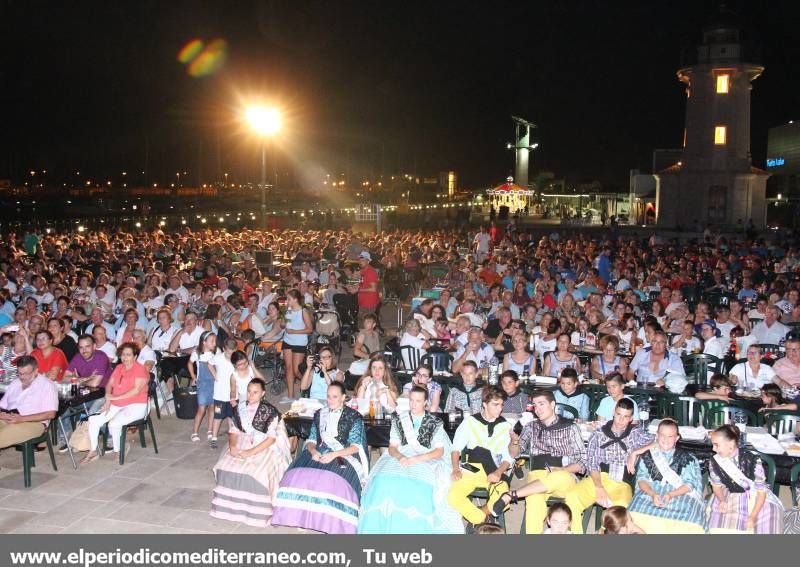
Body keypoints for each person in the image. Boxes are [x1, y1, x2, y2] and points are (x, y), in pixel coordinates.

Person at [358, 386, 463, 534]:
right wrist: (401, 457)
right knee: (381, 482)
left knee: (417, 488)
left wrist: (415, 459)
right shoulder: (400, 419)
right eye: (411, 400)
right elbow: (392, 447)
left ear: (425, 402)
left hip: (426, 457)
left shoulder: (434, 421)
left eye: (418, 401)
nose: (414, 404)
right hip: (400, 455)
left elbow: (439, 451)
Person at [271, 382, 369, 534]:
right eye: (328, 397)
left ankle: (329, 522)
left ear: (343, 397)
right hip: (319, 450)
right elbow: (311, 440)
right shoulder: (320, 414)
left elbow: (356, 447)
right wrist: (313, 451)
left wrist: (333, 455)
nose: (331, 400)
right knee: (296, 476)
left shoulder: (354, 417)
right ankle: (300, 517)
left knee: (331, 482)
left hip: (343, 454)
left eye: (335, 397)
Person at [496, 390, 586, 533]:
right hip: (538, 474)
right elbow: (515, 453)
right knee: (533, 498)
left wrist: (562, 470)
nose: (537, 409)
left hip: (564, 478)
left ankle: (513, 495)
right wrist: (514, 442)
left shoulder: (570, 427)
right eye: (535, 405)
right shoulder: (531, 426)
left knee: (559, 476)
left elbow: (583, 461)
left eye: (541, 404)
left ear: (553, 404)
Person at [210, 378, 292, 528]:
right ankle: (230, 509)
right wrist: (233, 446)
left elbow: (271, 439)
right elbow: (234, 431)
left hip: (264, 444)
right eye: (249, 392)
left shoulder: (269, 411)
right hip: (243, 441)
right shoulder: (239, 409)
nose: (251, 395)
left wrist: (250, 452)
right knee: (225, 465)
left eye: (255, 392)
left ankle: (257, 512)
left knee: (257, 472)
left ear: (263, 393)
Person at [564, 398, 652, 533]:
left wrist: (635, 452)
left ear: (631, 418)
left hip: (622, 483)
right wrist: (599, 487)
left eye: (626, 416)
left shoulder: (635, 433)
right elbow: (592, 464)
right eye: (618, 414)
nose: (621, 420)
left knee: (621, 515)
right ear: (613, 412)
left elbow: (661, 440)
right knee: (572, 497)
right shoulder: (599, 434)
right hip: (599, 478)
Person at [447, 386, 513, 530]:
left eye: (501, 405)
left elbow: (508, 457)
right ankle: (481, 517)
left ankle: (479, 517)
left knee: (503, 496)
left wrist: (498, 472)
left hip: (495, 469)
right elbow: (456, 449)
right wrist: (456, 469)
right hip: (473, 468)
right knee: (452, 496)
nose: (499, 409)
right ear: (484, 404)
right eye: (495, 405)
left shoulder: (505, 426)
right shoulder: (470, 422)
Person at [626, 419, 705, 533]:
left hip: (679, 493)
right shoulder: (647, 455)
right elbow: (641, 479)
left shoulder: (686, 457)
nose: (665, 439)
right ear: (657, 435)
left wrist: (670, 494)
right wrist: (652, 494)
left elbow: (689, 485)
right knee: (632, 516)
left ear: (676, 438)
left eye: (670, 436)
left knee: (692, 521)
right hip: (650, 492)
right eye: (662, 435)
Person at [707, 424, 784, 533]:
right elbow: (716, 486)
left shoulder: (753, 461)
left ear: (731, 444)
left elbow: (761, 492)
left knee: (770, 524)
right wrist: (722, 500)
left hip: (756, 495)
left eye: (716, 445)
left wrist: (753, 516)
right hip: (729, 492)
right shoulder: (715, 462)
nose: (713, 449)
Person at [81, 342, 150, 464]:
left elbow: (136, 390)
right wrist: (108, 400)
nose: (125, 358)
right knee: (93, 420)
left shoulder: (140, 369)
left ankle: (118, 450)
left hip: (136, 405)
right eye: (123, 354)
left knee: (114, 423)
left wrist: (113, 398)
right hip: (117, 403)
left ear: (135, 357)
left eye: (128, 355)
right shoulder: (119, 368)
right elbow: (109, 384)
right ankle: (93, 451)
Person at [0, 355, 58, 449]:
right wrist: (1, 414)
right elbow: (2, 405)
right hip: (10, 418)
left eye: (26, 373)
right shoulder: (15, 383)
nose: (22, 377)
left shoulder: (47, 385)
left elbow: (51, 414)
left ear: (36, 371)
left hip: (34, 423)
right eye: (19, 373)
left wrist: (21, 419)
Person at [281, 289, 313, 399]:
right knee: (288, 368)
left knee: (296, 370)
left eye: (289, 299)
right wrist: (282, 323)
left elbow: (310, 329)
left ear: (295, 299)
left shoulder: (303, 311)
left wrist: (294, 331)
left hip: (299, 342)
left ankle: (309, 383)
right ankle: (290, 396)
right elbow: (285, 324)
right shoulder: (288, 310)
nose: (287, 301)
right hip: (287, 341)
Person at [188, 331, 219, 445]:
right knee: (201, 409)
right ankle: (194, 432)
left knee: (212, 407)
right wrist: (193, 376)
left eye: (215, 341)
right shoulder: (197, 353)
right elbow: (190, 363)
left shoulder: (215, 353)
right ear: (204, 343)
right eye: (212, 341)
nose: (214, 344)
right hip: (203, 384)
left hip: (214, 383)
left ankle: (210, 430)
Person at [210, 338, 237, 448]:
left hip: (232, 395)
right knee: (218, 417)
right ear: (224, 349)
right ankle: (214, 438)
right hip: (219, 396)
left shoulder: (236, 358)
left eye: (233, 352)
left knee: (232, 416)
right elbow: (209, 364)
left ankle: (232, 436)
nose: (231, 356)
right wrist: (214, 374)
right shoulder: (218, 358)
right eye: (229, 353)